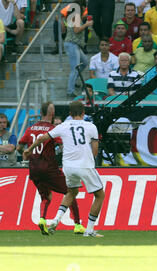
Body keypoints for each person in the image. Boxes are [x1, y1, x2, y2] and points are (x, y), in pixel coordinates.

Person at [23, 101, 106, 238]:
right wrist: (89, 159)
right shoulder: (91, 126)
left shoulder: (63, 126)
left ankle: (56, 219)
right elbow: (95, 150)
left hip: (68, 166)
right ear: (83, 113)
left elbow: (43, 138)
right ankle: (89, 230)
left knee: (71, 192)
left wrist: (29, 150)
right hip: (84, 165)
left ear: (70, 114)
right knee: (99, 195)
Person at [17, 102, 85, 235]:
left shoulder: (30, 128)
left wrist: (27, 155)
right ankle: (77, 225)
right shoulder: (53, 129)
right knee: (70, 192)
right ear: (52, 114)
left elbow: (19, 147)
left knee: (46, 196)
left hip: (34, 169)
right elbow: (62, 145)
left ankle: (42, 219)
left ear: (41, 112)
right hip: (49, 168)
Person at [64, 0, 92, 98]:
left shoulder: (73, 16)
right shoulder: (76, 16)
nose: (85, 9)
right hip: (72, 44)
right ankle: (70, 91)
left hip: (74, 44)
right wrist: (87, 24)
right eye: (84, 7)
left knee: (84, 62)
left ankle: (74, 80)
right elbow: (76, 30)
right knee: (75, 68)